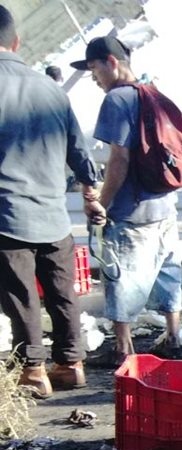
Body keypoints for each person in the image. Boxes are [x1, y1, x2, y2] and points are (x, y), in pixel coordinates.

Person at [0, 6, 104, 398]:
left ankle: (32, 371)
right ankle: (71, 365)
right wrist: (90, 192)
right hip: (53, 214)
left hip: (7, 214)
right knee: (62, 292)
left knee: (21, 295)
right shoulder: (51, 89)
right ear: (16, 42)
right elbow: (79, 151)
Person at [72, 35, 182, 362]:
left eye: (94, 69)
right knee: (168, 271)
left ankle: (123, 348)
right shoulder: (154, 94)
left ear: (111, 62)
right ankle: (173, 336)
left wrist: (101, 204)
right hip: (165, 204)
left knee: (119, 275)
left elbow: (119, 159)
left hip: (132, 211)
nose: (94, 78)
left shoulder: (117, 99)